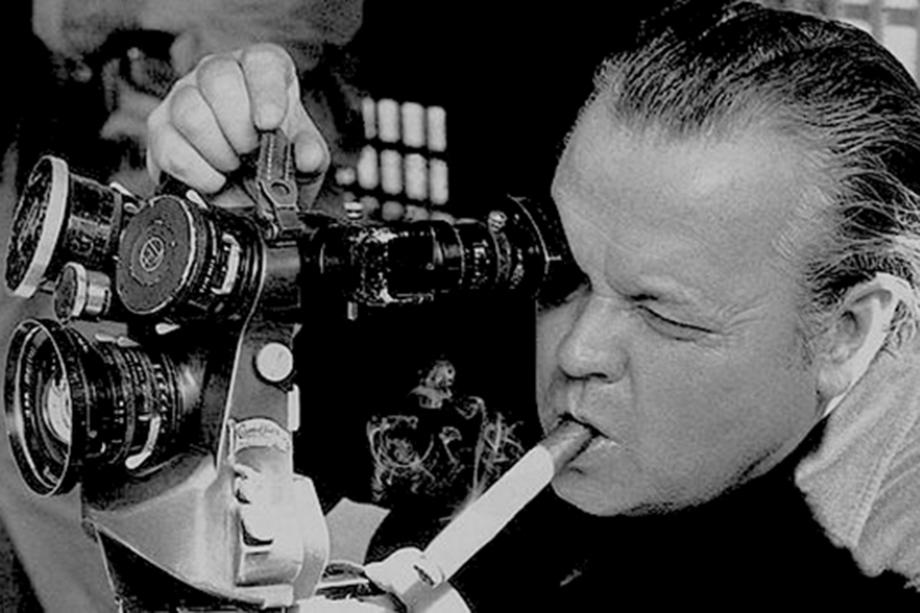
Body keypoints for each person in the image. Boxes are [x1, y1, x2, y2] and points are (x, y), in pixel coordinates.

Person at [147, 0, 920, 608]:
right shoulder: (535, 325)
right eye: (567, 266)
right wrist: (238, 274)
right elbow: (186, 424)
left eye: (665, 315)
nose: (579, 351)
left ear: (846, 332)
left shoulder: (892, 535)